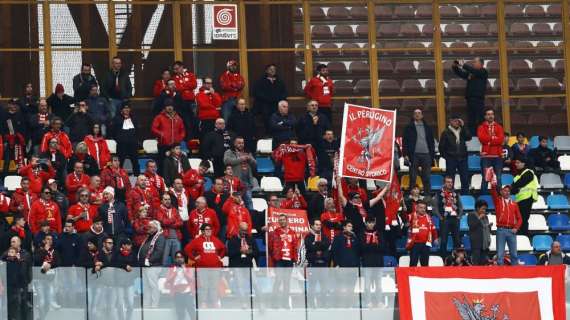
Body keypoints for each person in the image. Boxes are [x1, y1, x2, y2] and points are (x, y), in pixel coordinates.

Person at [452, 57, 488, 134]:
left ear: (481, 64)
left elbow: (474, 71)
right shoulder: (472, 73)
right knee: (471, 120)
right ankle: (473, 137)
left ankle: (481, 135)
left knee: (479, 119)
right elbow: (462, 74)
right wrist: (455, 67)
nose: (473, 63)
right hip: (470, 99)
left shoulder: (483, 71)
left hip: (478, 100)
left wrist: (463, 65)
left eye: (475, 62)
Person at [490, 177, 522, 266]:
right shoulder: (498, 201)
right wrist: (493, 184)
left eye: (508, 191)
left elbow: (520, 218)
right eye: (505, 190)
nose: (507, 192)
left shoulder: (514, 204)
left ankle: (515, 273)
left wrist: (516, 228)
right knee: (500, 254)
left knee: (514, 254)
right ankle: (501, 274)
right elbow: (493, 193)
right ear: (501, 192)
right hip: (501, 230)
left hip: (511, 231)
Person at [268, 214, 298, 307]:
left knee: (287, 282)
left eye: (283, 219)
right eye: (279, 220)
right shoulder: (275, 232)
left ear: (286, 220)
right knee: (278, 280)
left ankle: (285, 304)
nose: (281, 221)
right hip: (280, 260)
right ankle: (274, 303)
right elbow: (270, 246)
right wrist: (275, 256)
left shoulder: (292, 232)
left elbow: (295, 246)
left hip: (289, 260)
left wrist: (295, 258)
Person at [403, 108, 435, 193]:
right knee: (413, 177)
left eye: (419, 113)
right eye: (415, 113)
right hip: (413, 155)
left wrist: (432, 155)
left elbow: (431, 142)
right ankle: (412, 198)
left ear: (422, 115)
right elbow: (405, 141)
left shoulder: (428, 127)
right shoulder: (409, 127)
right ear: (413, 116)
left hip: (426, 155)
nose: (417, 114)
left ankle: (427, 198)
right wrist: (405, 154)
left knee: (427, 178)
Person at [438, 115, 471, 194]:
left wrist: (464, 126)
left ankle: (465, 195)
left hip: (463, 158)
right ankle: (449, 195)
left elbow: (469, 137)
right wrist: (447, 157)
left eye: (458, 121)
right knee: (450, 178)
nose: (457, 123)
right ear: (450, 121)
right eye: (455, 121)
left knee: (465, 178)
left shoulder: (462, 130)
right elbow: (441, 147)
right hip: (451, 158)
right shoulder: (446, 132)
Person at [432, 176, 464, 257]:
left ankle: (457, 259)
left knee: (457, 240)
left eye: (451, 182)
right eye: (448, 182)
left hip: (455, 219)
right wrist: (440, 217)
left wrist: (459, 216)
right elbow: (434, 207)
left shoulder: (456, 193)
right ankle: (443, 259)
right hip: (444, 219)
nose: (450, 184)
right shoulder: (439, 193)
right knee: (444, 240)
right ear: (444, 183)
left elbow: (460, 206)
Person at [252, 64, 288, 131]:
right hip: (265, 104)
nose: (272, 71)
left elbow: (285, 92)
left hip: (277, 103)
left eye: (274, 69)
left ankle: (277, 130)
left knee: (280, 113)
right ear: (266, 71)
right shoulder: (260, 81)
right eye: (270, 69)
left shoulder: (280, 81)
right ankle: (268, 132)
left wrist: (278, 98)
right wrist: (268, 98)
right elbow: (256, 92)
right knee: (265, 113)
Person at [151, 100, 186, 170]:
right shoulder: (159, 117)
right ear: (165, 107)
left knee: (175, 166)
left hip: (175, 146)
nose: (169, 107)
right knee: (162, 165)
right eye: (167, 106)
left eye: (171, 106)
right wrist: (161, 134)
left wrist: (180, 138)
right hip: (163, 145)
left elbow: (183, 130)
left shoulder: (178, 118)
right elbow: (153, 129)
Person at [478, 108, 505, 193]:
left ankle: (499, 197)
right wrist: (493, 138)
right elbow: (482, 139)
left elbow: (500, 140)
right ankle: (484, 197)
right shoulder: (481, 127)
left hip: (497, 156)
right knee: (486, 178)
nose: (491, 116)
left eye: (492, 114)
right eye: (488, 114)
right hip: (486, 156)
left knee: (498, 178)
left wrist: (489, 141)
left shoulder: (499, 127)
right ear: (485, 116)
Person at [109, 103, 140, 176]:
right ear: (121, 110)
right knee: (120, 163)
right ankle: (118, 178)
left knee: (135, 162)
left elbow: (138, 131)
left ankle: (138, 178)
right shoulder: (116, 119)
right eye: (125, 108)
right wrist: (118, 139)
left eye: (128, 108)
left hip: (133, 144)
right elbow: (112, 131)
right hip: (121, 145)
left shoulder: (134, 118)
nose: (126, 109)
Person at [510, 156, 538, 236]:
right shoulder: (518, 175)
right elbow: (514, 188)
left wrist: (513, 187)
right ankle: (522, 232)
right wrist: (512, 188)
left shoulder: (528, 172)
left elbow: (520, 183)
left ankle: (524, 233)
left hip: (528, 197)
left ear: (523, 163)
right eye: (516, 163)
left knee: (524, 217)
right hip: (520, 198)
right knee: (521, 217)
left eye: (518, 162)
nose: (516, 164)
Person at [163, 251, 195, 320]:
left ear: (184, 258)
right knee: (180, 314)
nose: (179, 259)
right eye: (177, 257)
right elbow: (167, 281)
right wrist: (174, 273)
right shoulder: (172, 268)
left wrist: (184, 271)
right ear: (175, 259)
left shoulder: (188, 267)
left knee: (192, 313)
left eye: (181, 257)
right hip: (177, 293)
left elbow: (191, 279)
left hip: (187, 293)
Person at [406, 200, 438, 267]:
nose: (423, 209)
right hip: (415, 243)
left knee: (425, 264)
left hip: (426, 244)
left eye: (424, 208)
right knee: (413, 263)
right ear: (416, 208)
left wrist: (435, 238)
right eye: (421, 207)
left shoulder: (428, 217)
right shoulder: (411, 216)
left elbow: (433, 229)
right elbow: (405, 221)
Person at [155, 193, 183, 266]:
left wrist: (170, 223)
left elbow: (180, 222)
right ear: (161, 201)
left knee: (177, 261)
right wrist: (173, 219)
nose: (168, 201)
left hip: (176, 237)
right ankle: (163, 276)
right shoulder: (159, 210)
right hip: (165, 238)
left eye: (169, 199)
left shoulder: (174, 209)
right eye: (165, 199)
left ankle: (177, 276)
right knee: (163, 260)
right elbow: (163, 222)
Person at [1, 99, 28, 170]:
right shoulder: (4, 115)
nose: (14, 106)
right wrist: (5, 140)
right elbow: (2, 129)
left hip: (17, 141)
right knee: (7, 161)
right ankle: (4, 178)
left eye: (15, 104)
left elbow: (23, 129)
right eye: (12, 104)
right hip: (8, 141)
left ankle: (19, 177)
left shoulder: (20, 115)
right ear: (8, 105)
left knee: (18, 161)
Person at [468, 200, 492, 265]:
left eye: (485, 209)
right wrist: (479, 218)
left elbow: (486, 229)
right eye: (483, 209)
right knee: (476, 262)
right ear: (477, 208)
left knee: (483, 262)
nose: (484, 211)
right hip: (476, 243)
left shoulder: (485, 217)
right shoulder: (471, 215)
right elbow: (472, 226)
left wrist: (489, 226)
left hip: (485, 243)